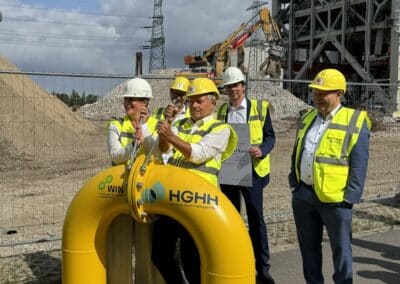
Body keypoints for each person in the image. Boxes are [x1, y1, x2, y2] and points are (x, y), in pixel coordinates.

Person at [151, 77, 238, 284]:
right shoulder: (180, 124)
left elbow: (198, 154)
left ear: (213, 102)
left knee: (191, 260)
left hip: (199, 201)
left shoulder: (220, 129)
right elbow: (164, 149)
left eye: (199, 101)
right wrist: (167, 128)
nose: (194, 106)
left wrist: (171, 135)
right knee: (159, 253)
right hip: (172, 197)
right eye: (191, 101)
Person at [288, 68, 370, 284]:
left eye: (323, 93)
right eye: (315, 93)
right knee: (309, 251)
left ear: (339, 94)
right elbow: (298, 152)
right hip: (304, 196)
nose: (317, 98)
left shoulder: (355, 121)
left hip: (336, 202)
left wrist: (349, 199)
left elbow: (359, 164)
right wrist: (294, 185)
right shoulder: (306, 118)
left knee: (341, 254)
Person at [217, 66, 276, 284]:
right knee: (231, 217)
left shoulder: (260, 108)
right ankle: (235, 260)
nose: (233, 89)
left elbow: (270, 137)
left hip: (253, 171)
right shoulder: (222, 111)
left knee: (255, 217)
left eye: (236, 85)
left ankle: (262, 267)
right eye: (229, 86)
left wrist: (262, 149)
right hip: (229, 170)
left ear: (243, 86)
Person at [107, 77, 152, 166]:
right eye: (126, 99)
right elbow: (115, 156)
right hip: (123, 177)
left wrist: (145, 128)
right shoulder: (116, 125)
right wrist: (134, 146)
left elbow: (159, 153)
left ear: (145, 102)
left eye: (131, 99)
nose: (127, 102)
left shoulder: (155, 124)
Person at [147, 76, 191, 164]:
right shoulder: (158, 113)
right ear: (170, 92)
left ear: (187, 95)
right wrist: (165, 118)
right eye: (176, 93)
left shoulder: (190, 116)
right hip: (159, 161)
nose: (178, 97)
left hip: (177, 163)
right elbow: (152, 134)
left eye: (182, 94)